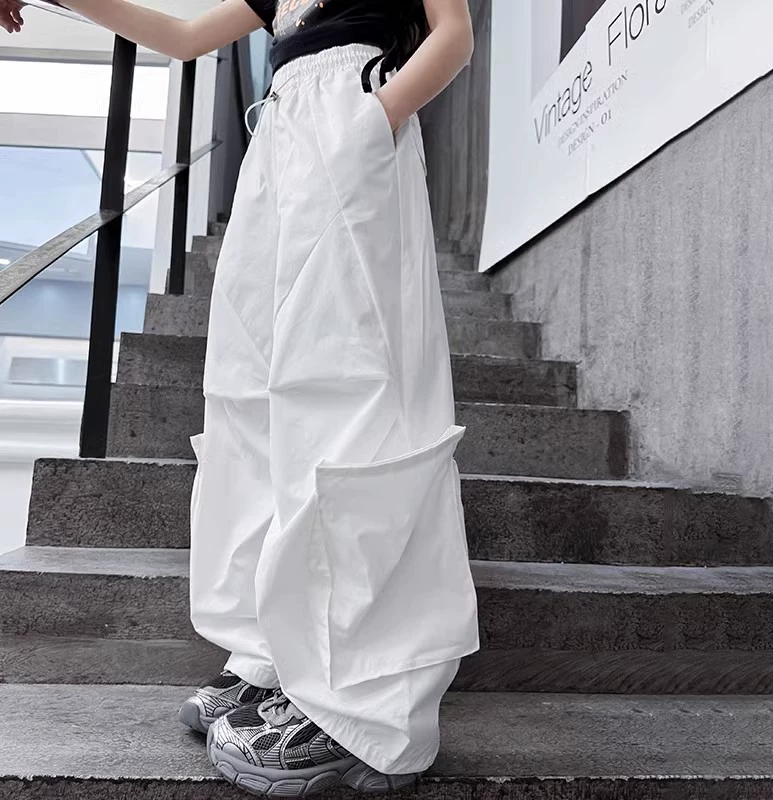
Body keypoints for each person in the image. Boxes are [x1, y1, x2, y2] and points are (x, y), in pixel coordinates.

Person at [1, 0, 479, 794]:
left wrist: (370, 124)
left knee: (346, 388)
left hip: (354, 126)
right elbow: (186, 37)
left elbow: (453, 35)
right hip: (280, 144)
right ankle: (277, 655)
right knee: (251, 398)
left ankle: (364, 707)